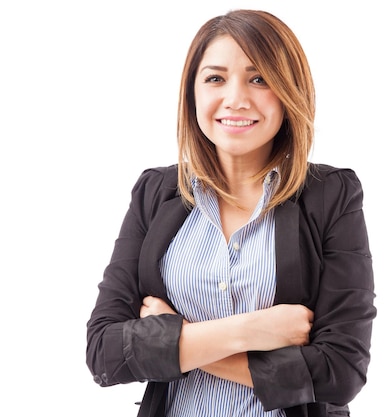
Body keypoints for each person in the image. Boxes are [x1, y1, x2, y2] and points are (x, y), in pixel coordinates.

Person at [86, 9, 376, 417]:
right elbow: (104, 353)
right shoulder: (155, 193)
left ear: (289, 90)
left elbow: (341, 371)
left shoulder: (331, 196)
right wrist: (254, 330)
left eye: (259, 78)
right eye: (215, 78)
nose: (236, 98)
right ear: (194, 93)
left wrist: (175, 338)